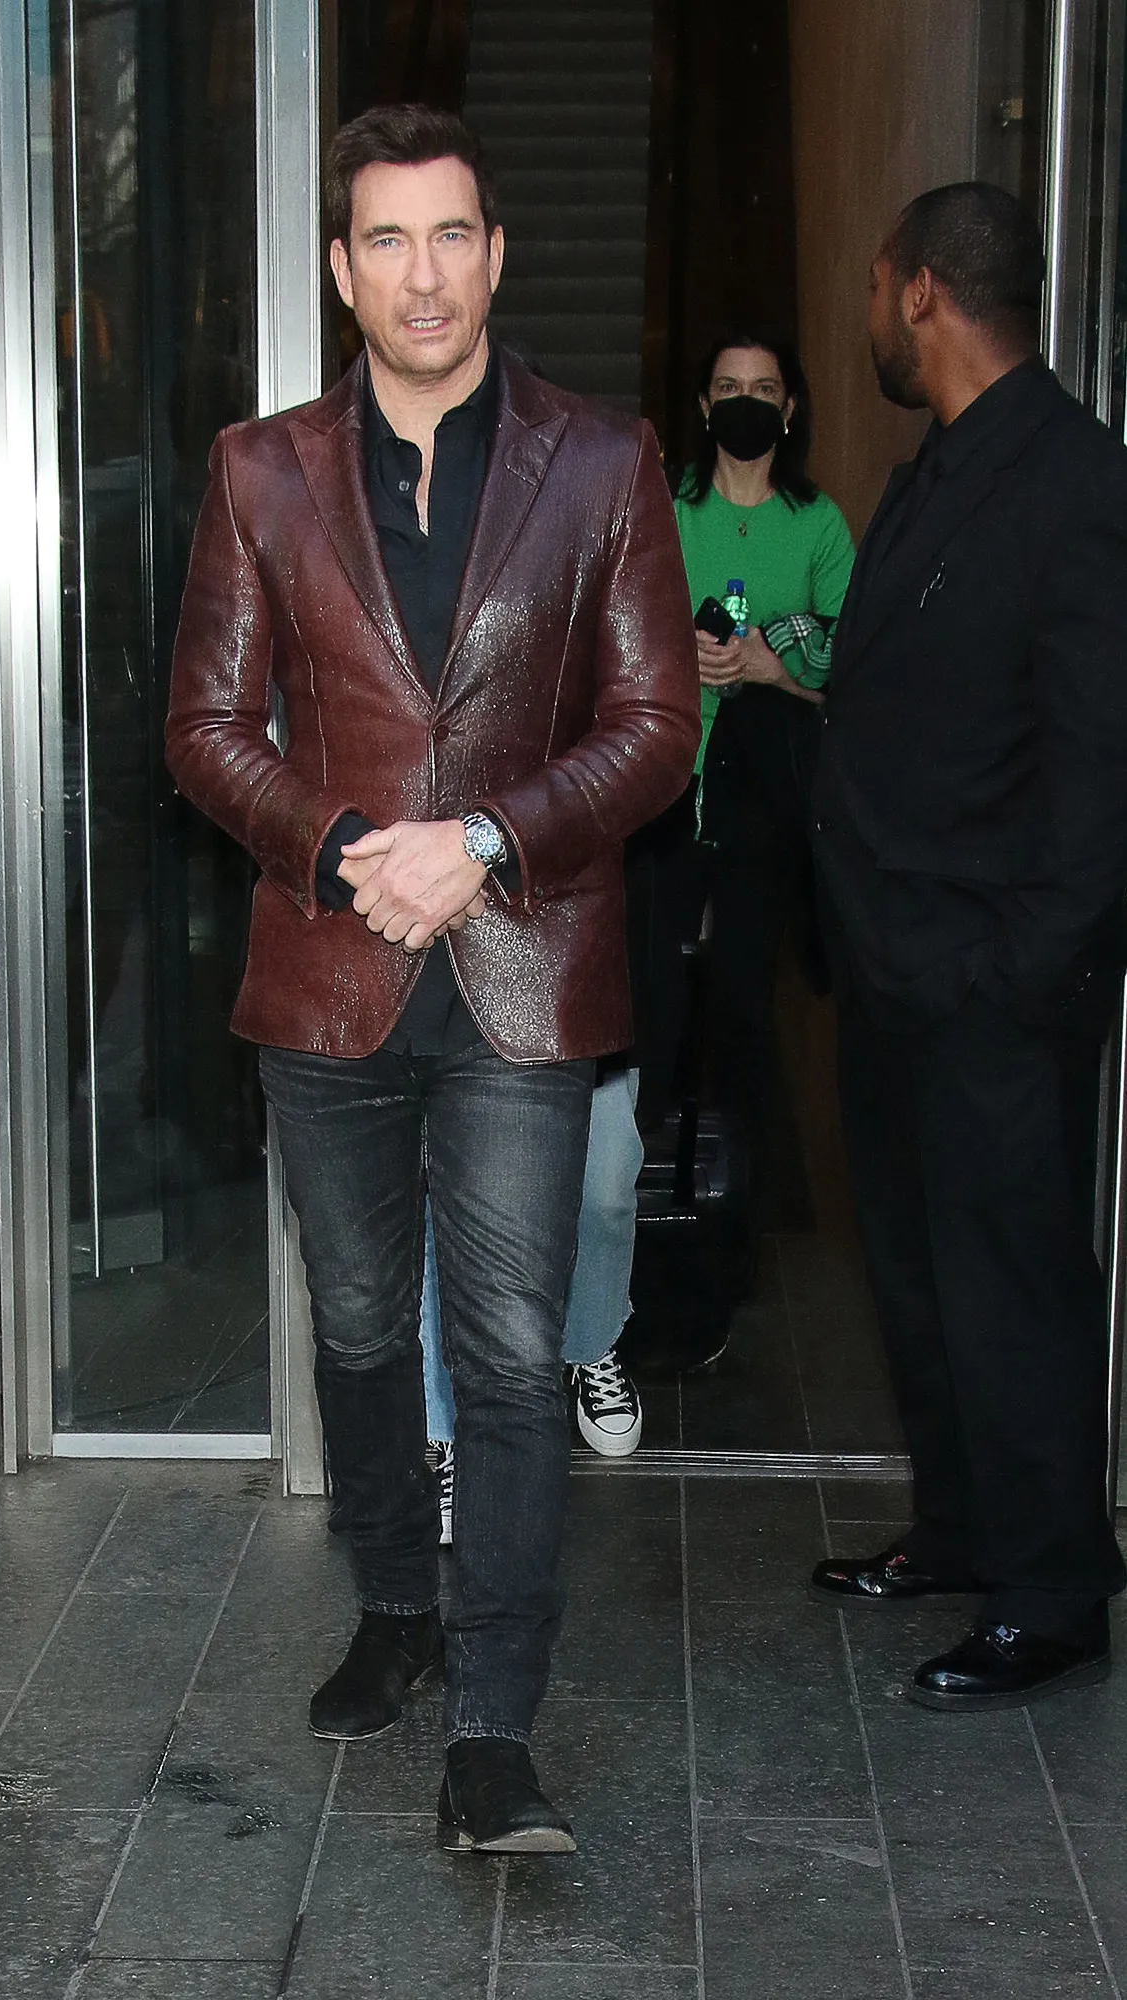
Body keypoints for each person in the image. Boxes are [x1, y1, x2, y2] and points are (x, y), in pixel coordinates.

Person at [165, 103, 699, 1850]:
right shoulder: (259, 470)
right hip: (328, 970)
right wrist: (343, 847)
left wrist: (478, 841)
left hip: (523, 969)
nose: (423, 274)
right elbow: (204, 728)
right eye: (387, 240)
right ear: (342, 269)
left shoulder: (600, 463)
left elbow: (656, 727)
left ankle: (494, 1724)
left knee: (512, 1348)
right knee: (353, 1322)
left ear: (496, 252)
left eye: (451, 234)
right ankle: (397, 1605)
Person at [809, 181, 1127, 1708]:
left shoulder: (1077, 482)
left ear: (922, 291)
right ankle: (959, 1531)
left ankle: (1054, 1589)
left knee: (1013, 1286)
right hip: (899, 972)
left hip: (994, 984)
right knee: (927, 1281)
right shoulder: (934, 469)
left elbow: (1100, 773)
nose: (872, 316)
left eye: (879, 289)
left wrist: (1016, 974)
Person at [675, 333, 855, 1215]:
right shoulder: (664, 511)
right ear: (705, 407)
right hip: (667, 793)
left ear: (788, 410)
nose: (744, 401)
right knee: (661, 1001)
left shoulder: (818, 525)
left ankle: (746, 1214)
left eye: (763, 387)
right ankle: (658, 1195)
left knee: (745, 1003)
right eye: (727, 387)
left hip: (765, 807)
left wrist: (773, 670)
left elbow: (858, 676)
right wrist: (681, 657)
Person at [422, 1062, 645, 1543]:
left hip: (581, 1027)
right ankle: (451, 1426)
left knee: (604, 1186)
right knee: (447, 1188)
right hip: (453, 1022)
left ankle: (589, 1341)